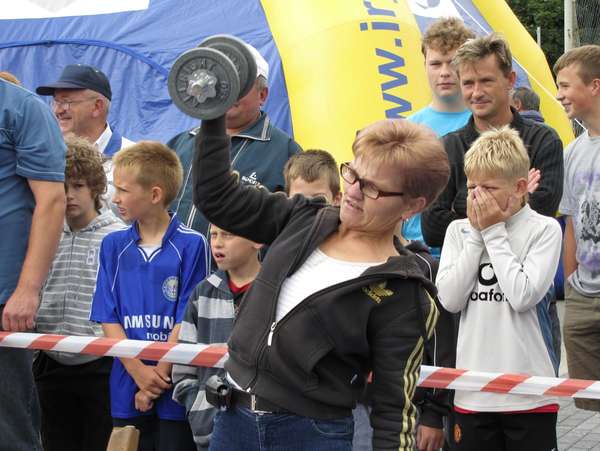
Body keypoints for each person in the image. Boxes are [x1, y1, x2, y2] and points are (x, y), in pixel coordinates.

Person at [193, 113, 450, 450]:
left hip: (311, 434)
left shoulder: (404, 291)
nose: (353, 192)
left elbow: (394, 410)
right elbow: (216, 198)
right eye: (353, 174)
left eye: (372, 188)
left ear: (413, 205)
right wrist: (214, 115)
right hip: (232, 419)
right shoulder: (303, 217)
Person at [436, 126, 562, 451]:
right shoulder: (458, 231)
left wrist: (492, 232)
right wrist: (476, 236)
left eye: (489, 188)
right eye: (472, 187)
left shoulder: (544, 229)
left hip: (529, 393)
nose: (477, 197)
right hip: (472, 392)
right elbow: (449, 299)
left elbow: (522, 296)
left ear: (519, 187)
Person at [89, 142, 210, 451]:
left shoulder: (193, 244)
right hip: (126, 381)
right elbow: (107, 315)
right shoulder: (113, 245)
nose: (115, 198)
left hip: (174, 381)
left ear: (155, 195)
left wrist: (158, 375)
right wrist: (139, 372)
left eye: (123, 190)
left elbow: (187, 316)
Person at [421, 34, 563, 248]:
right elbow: (432, 229)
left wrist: (462, 203)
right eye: (468, 83)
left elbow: (542, 214)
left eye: (486, 81)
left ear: (510, 80)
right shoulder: (448, 147)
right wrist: (516, 203)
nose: (476, 92)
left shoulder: (543, 141)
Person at [34, 135, 125, 451]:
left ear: (96, 186)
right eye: (61, 186)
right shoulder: (42, 233)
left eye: (78, 185)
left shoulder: (118, 237)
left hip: (100, 364)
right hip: (49, 359)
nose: (69, 195)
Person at [168, 42, 302, 235]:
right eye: (219, 80)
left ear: (262, 95)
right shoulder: (180, 144)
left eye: (239, 82)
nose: (227, 91)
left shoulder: (287, 154)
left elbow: (296, 229)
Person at [0, 77, 66, 450]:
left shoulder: (21, 108)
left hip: (4, 299)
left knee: (9, 431)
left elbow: (52, 201)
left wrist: (28, 289)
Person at [172, 224, 262, 450]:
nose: (217, 243)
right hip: (211, 436)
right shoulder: (201, 293)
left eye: (228, 234)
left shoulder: (277, 291)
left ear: (257, 240)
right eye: (213, 235)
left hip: (267, 432)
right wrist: (200, 412)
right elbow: (183, 369)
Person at [402, 17, 475, 257]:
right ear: (424, 65)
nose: (444, 72)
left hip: (469, 251)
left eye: (452, 63)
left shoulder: (485, 124)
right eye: (435, 64)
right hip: (414, 252)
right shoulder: (407, 128)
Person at [555, 44, 600, 412]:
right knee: (590, 402)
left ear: (595, 86)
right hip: (583, 296)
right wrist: (571, 286)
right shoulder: (572, 153)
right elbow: (570, 221)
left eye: (566, 85)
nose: (559, 95)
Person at [36, 64, 135, 212]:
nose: (58, 110)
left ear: (97, 106)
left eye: (66, 102)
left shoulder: (134, 159)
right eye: (55, 101)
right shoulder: (43, 155)